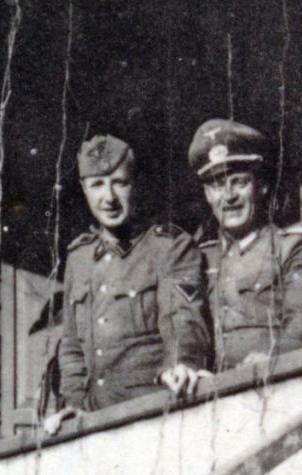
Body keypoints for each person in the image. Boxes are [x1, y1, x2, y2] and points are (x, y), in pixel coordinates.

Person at [43, 134, 211, 435]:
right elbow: (70, 347)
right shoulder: (79, 258)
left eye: (119, 182)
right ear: (84, 189)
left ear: (135, 183)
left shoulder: (168, 246)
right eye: (97, 185)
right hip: (92, 420)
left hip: (152, 414)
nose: (108, 197)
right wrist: (73, 403)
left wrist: (181, 362)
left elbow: (182, 319)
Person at [188, 119, 302, 371]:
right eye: (217, 185)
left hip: (272, 382)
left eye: (240, 182)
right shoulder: (200, 258)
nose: (229, 196)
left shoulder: (294, 248)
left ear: (261, 186)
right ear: (207, 195)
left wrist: (273, 357)